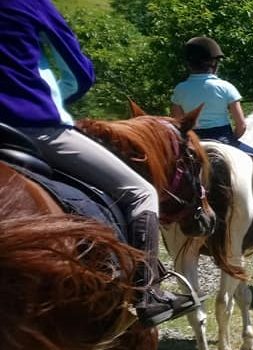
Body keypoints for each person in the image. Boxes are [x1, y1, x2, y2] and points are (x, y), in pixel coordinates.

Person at [0, 0, 196, 327]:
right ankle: (147, 294)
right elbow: (79, 72)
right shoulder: (31, 4)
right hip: (35, 126)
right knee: (141, 192)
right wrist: (60, 96)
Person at [171, 36, 253, 233]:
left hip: (192, 142)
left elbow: (177, 123)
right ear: (214, 63)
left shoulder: (180, 89)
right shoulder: (226, 87)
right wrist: (234, 141)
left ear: (189, 63)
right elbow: (241, 125)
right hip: (223, 139)